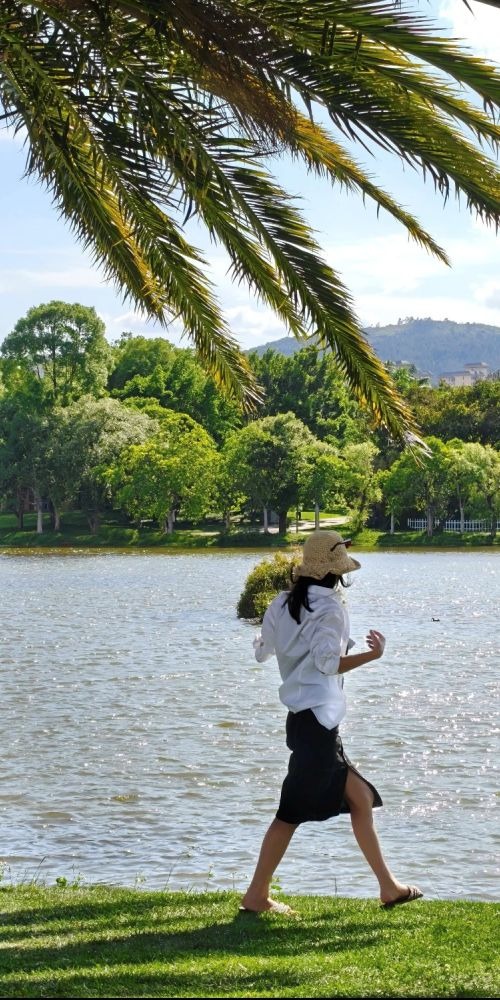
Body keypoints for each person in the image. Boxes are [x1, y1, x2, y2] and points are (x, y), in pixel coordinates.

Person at [240, 530, 423, 915]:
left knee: (361, 798)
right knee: (287, 816)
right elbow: (327, 663)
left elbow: (262, 652)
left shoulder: (282, 602)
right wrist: (371, 657)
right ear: (336, 572)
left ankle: (389, 887)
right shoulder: (330, 609)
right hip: (318, 727)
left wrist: (298, 645)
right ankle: (256, 896)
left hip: (307, 724)